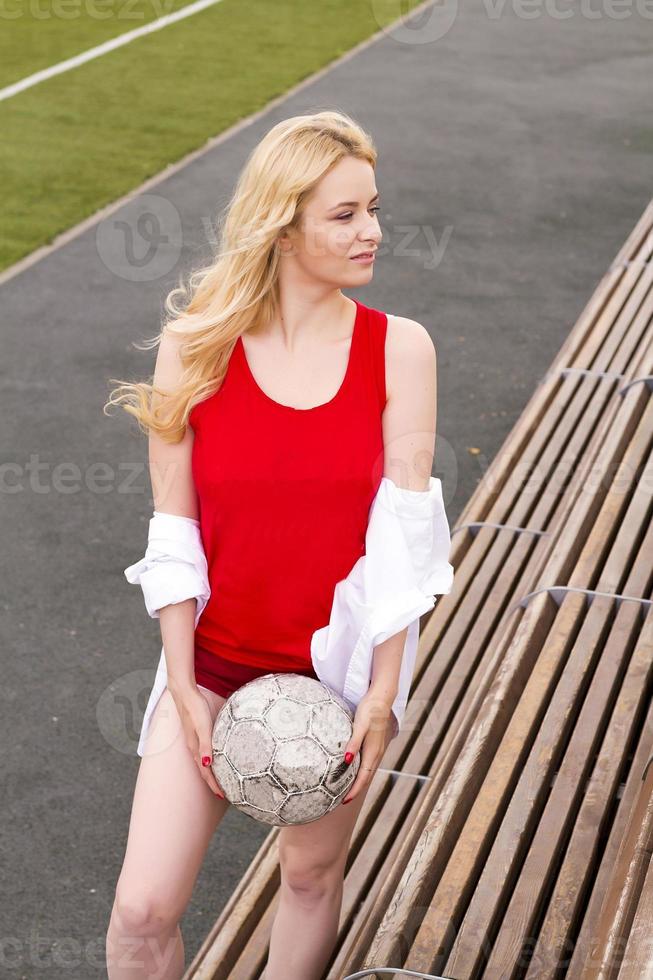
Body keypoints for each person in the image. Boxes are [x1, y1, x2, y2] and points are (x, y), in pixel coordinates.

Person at [103, 109, 444, 980]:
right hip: (210, 668)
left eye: (373, 208)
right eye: (343, 214)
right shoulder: (196, 349)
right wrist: (180, 681)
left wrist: (380, 695)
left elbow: (404, 540)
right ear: (280, 223)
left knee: (308, 875)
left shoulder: (398, 350)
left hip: (332, 684)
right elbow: (173, 530)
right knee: (142, 913)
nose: (372, 230)